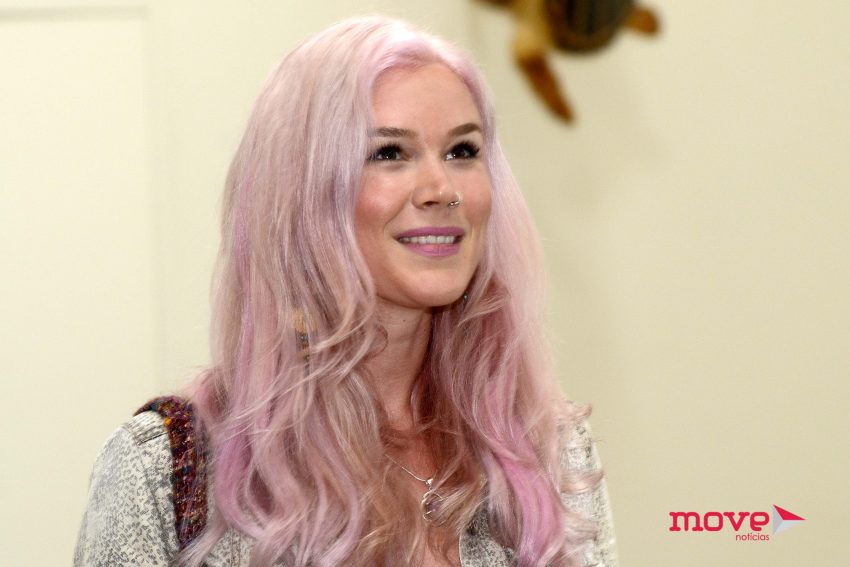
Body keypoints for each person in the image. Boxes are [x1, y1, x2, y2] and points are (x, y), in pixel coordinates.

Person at [74, 16, 617, 567]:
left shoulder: (547, 450)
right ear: (302, 193)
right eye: (389, 153)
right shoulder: (165, 474)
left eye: (462, 151)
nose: (442, 189)